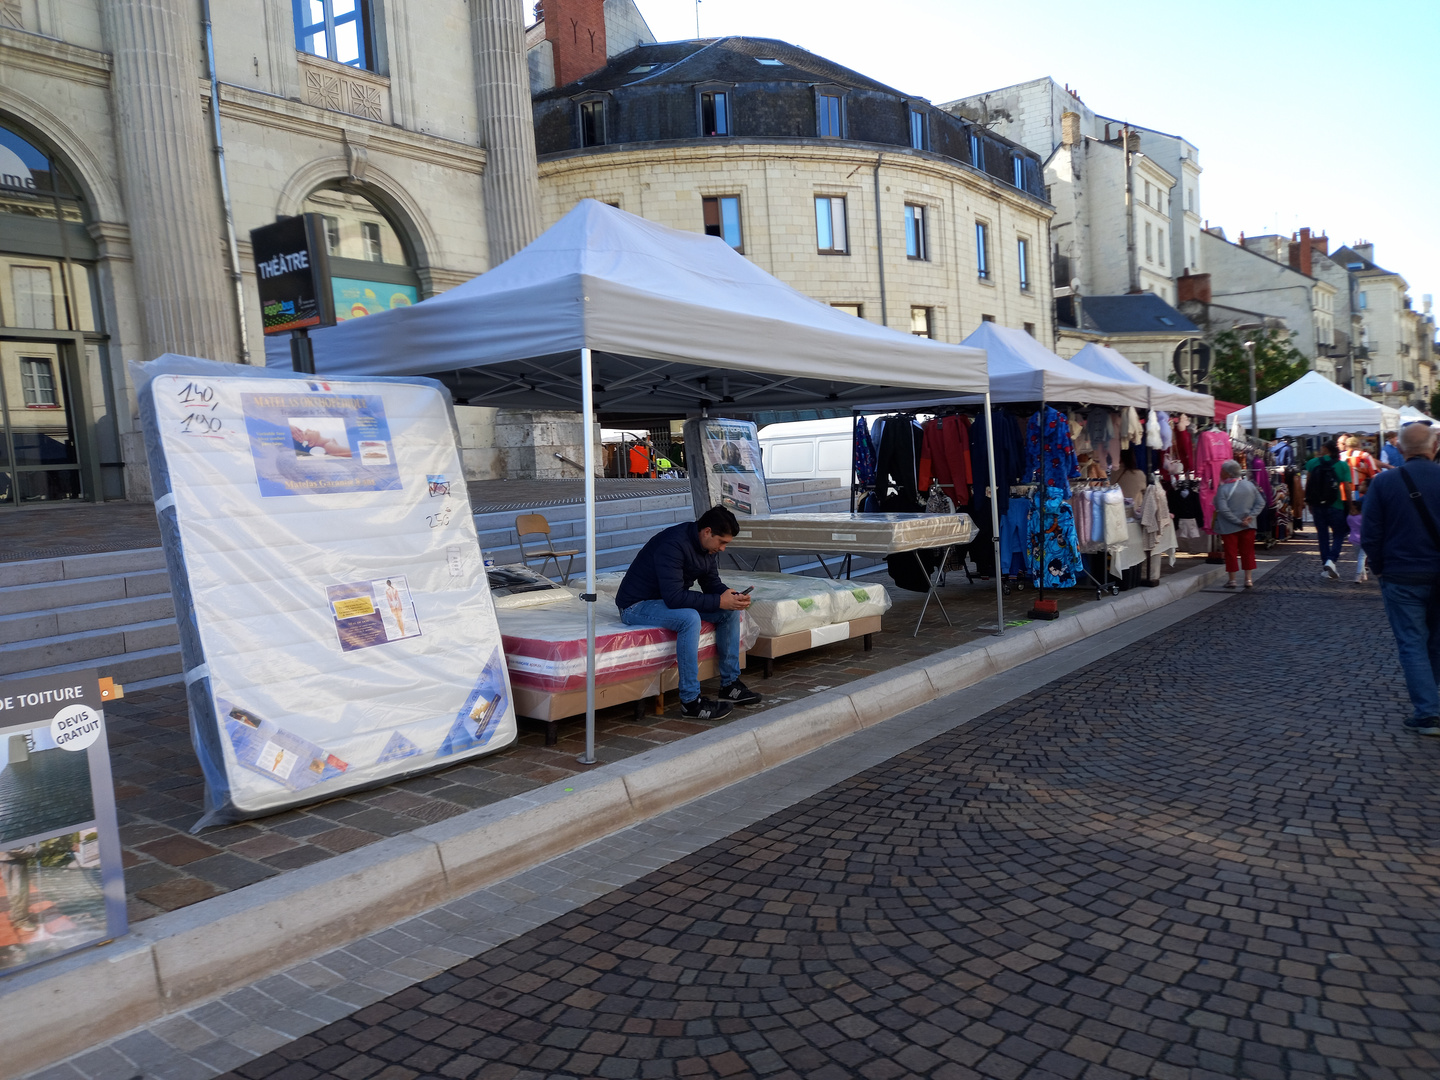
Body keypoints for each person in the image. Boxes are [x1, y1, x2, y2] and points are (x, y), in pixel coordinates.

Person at [615, 505, 760, 719]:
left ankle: (730, 685)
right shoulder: (673, 544)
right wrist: (719, 600)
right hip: (636, 605)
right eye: (722, 542)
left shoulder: (706, 547)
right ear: (707, 531)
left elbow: (711, 583)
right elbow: (674, 598)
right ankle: (691, 702)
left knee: (728, 612)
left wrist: (731, 596)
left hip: (664, 600)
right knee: (689, 619)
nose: (722, 549)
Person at [1361, 422, 1440, 736]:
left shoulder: (1384, 483)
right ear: (1434, 447)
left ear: (1401, 449)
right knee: (1435, 641)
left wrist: (1381, 566)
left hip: (1401, 574)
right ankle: (1430, 702)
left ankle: (1428, 712)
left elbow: (1370, 534)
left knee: (1411, 642)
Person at [1212, 460, 1266, 588]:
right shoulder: (1250, 485)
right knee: (1248, 552)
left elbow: (1223, 509)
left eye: (1222, 470)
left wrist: (1237, 521)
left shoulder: (1223, 489)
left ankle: (1232, 580)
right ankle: (1248, 579)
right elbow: (1261, 503)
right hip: (1249, 526)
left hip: (1228, 526)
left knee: (1230, 553)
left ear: (1227, 473)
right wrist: (1250, 517)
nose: (1220, 473)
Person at [1305, 440, 1352, 580]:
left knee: (1322, 536)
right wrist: (1350, 506)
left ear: (1325, 449)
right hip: (1336, 505)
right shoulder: (1342, 465)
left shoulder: (1312, 463)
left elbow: (1308, 485)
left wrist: (1308, 502)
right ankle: (1331, 560)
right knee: (1339, 534)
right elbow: (1347, 488)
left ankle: (1326, 565)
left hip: (1317, 506)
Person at [1341, 436, 1381, 582]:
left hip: (1345, 497)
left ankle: (1363, 566)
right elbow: (1375, 476)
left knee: (1354, 530)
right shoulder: (1365, 456)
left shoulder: (1341, 457)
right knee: (1367, 531)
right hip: (1363, 496)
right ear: (1358, 444)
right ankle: (1364, 565)